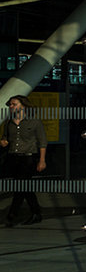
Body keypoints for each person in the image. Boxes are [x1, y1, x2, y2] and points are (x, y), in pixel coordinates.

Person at [2, 95, 47, 226]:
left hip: (28, 158)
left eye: (14, 104)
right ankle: (36, 213)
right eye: (10, 105)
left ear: (23, 106)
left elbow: (42, 142)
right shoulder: (9, 122)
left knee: (20, 186)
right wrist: (3, 141)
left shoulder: (35, 122)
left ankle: (11, 215)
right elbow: (5, 137)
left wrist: (42, 160)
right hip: (13, 158)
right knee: (24, 187)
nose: (11, 107)